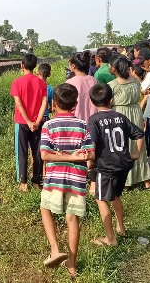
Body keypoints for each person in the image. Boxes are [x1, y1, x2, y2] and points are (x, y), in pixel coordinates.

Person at [39, 83, 95, 278]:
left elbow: (45, 155)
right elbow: (91, 154)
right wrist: (77, 155)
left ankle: (55, 249)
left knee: (45, 209)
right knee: (73, 219)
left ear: (53, 104)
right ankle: (71, 264)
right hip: (76, 179)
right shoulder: (82, 125)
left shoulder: (48, 125)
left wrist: (63, 155)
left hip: (55, 177)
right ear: (76, 103)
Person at [88, 83, 145, 246]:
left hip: (106, 167)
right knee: (116, 196)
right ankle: (121, 227)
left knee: (100, 199)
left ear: (93, 102)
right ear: (111, 100)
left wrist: (89, 163)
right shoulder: (120, 117)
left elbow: (92, 144)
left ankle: (110, 238)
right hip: (124, 164)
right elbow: (139, 134)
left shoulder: (94, 120)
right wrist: (136, 153)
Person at [107, 55, 150, 188]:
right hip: (136, 112)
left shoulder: (112, 85)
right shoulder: (135, 82)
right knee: (138, 145)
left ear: (115, 69)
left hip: (119, 114)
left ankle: (125, 180)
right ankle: (145, 179)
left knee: (121, 145)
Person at [10, 54, 49, 191]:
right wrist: (37, 121)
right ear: (35, 66)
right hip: (38, 123)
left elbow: (18, 104)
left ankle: (23, 183)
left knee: (22, 152)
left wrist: (27, 121)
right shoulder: (42, 83)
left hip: (21, 122)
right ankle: (37, 182)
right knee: (37, 152)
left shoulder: (17, 83)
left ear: (22, 66)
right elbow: (44, 103)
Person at [66, 51, 98, 121]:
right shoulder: (94, 80)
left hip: (76, 121)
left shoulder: (69, 82)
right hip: (93, 121)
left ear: (73, 66)